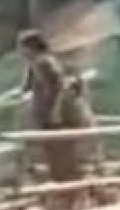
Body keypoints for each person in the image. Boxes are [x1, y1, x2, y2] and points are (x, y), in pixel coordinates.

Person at [19, 30, 96, 185]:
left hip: (53, 114)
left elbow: (58, 85)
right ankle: (63, 181)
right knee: (52, 150)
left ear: (31, 47)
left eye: (23, 47)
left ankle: (68, 183)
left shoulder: (45, 62)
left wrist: (55, 111)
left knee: (60, 150)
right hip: (45, 114)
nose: (21, 52)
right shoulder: (35, 64)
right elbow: (27, 87)